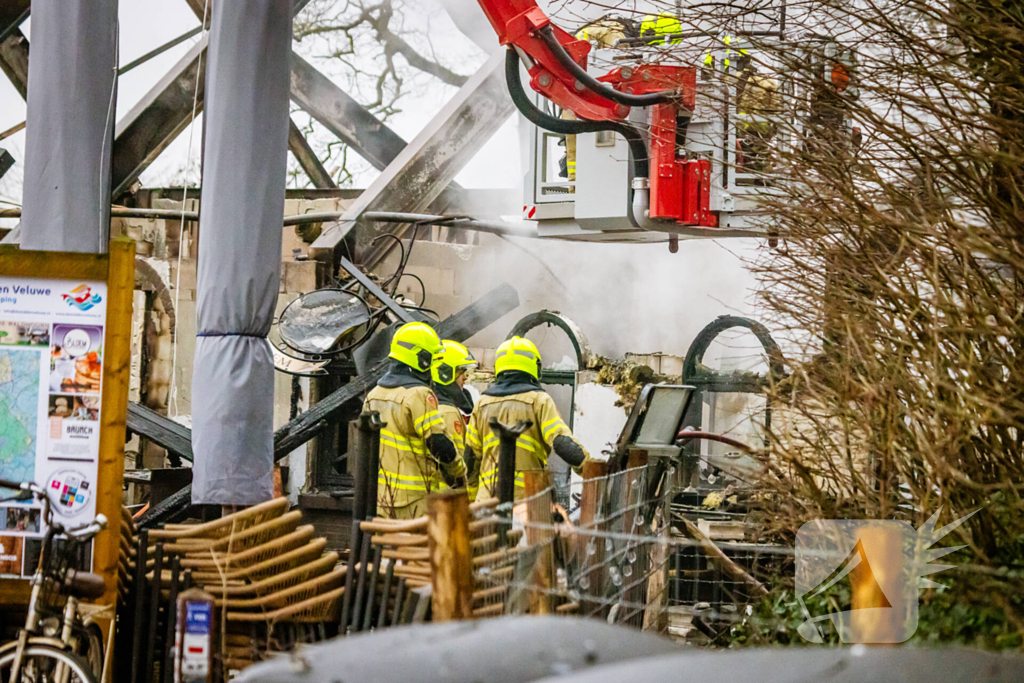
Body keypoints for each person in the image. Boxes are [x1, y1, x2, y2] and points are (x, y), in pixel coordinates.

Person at [465, 336, 588, 501]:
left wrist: (474, 501)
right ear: (534, 367)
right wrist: (592, 469)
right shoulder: (539, 400)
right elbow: (561, 442)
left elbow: (471, 459)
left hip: (488, 503)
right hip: (528, 504)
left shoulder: (481, 404)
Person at [363, 321, 463, 519]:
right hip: (415, 503)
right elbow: (439, 443)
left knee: (389, 550)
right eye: (431, 359)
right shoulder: (419, 395)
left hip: (381, 500)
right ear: (422, 359)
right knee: (418, 551)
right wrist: (459, 472)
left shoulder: (373, 395)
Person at [430, 340, 477, 499]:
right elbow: (457, 467)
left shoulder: (432, 405)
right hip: (448, 501)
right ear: (444, 373)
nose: (464, 377)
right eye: (460, 370)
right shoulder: (448, 413)